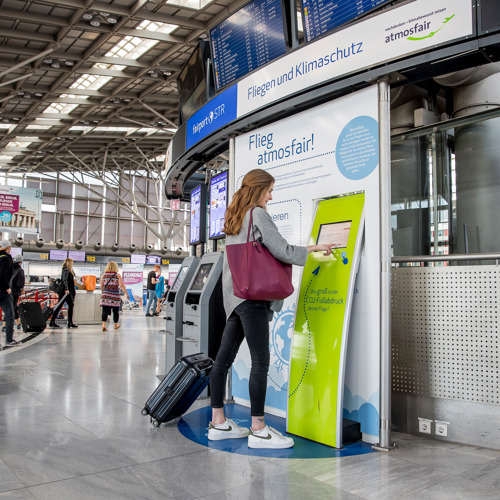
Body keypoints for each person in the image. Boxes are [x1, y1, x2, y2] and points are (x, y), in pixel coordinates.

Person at [207, 169, 333, 449]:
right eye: (270, 190)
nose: (271, 196)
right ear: (259, 189)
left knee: (222, 360)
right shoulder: (257, 214)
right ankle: (259, 428)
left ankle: (218, 423)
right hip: (253, 300)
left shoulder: (234, 217)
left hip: (236, 297)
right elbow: (283, 250)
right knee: (260, 362)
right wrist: (313, 250)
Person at [49, 258, 78, 328]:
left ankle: (53, 321)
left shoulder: (68, 270)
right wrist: (66, 289)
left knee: (64, 305)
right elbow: (65, 280)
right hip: (66, 292)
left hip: (67, 291)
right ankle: (69, 322)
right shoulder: (66, 270)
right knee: (69, 305)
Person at [100, 261, 127, 331]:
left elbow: (102, 286)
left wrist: (104, 292)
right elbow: (121, 285)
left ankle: (104, 325)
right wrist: (126, 293)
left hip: (105, 295)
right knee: (115, 311)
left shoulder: (104, 275)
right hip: (115, 295)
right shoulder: (117, 275)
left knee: (104, 310)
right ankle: (115, 325)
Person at [0, 239, 18, 346]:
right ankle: (9, 339)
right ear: (8, 248)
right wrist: (6, 287)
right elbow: (2, 274)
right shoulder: (6, 259)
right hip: (2, 291)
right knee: (10, 314)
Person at [10, 254, 25, 332]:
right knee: (11, 308)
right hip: (15, 292)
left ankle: (18, 323)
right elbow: (20, 283)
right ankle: (7, 326)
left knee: (13, 307)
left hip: (8, 290)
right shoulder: (20, 270)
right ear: (21, 262)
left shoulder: (10, 268)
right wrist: (22, 289)